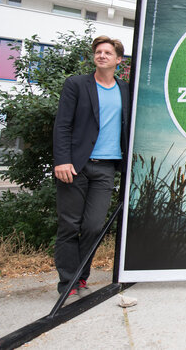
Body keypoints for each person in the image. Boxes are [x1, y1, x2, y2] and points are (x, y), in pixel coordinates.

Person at [53, 36, 130, 302]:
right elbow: (62, 124)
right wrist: (62, 160)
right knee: (69, 225)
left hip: (106, 167)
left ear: (118, 60)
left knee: (94, 226)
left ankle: (80, 274)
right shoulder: (77, 84)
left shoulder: (125, 90)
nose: (102, 55)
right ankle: (68, 281)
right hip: (76, 166)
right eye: (98, 52)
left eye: (108, 52)